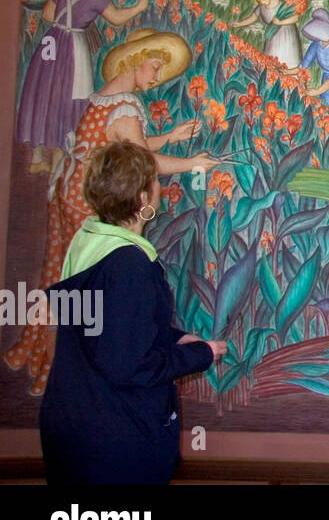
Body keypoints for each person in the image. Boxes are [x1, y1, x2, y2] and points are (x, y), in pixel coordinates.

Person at [4, 29, 218, 393]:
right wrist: (193, 163)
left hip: (70, 190)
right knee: (94, 293)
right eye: (154, 68)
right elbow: (140, 160)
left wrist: (170, 136)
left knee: (64, 281)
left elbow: (122, 140)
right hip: (91, 202)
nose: (154, 78)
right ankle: (63, 375)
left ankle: (39, 359)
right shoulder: (127, 106)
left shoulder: (105, 99)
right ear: (135, 60)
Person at [40, 141, 225, 484]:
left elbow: (102, 328)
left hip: (75, 426)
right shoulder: (129, 263)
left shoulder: (86, 244)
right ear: (143, 199)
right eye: (155, 181)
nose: (160, 188)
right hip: (114, 442)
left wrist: (173, 336)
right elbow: (130, 365)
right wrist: (200, 354)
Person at [16, 0, 148, 173]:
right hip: (73, 47)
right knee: (71, 98)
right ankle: (59, 162)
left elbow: (47, 15)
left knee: (46, 94)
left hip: (51, 42)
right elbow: (116, 19)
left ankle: (37, 158)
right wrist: (137, 8)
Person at [232, 0, 302, 69]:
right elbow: (253, 17)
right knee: (271, 63)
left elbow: (295, 18)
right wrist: (239, 24)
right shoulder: (261, 7)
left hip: (287, 36)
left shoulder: (282, 4)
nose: (261, 2)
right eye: (259, 1)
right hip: (272, 37)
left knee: (286, 60)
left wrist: (280, 22)